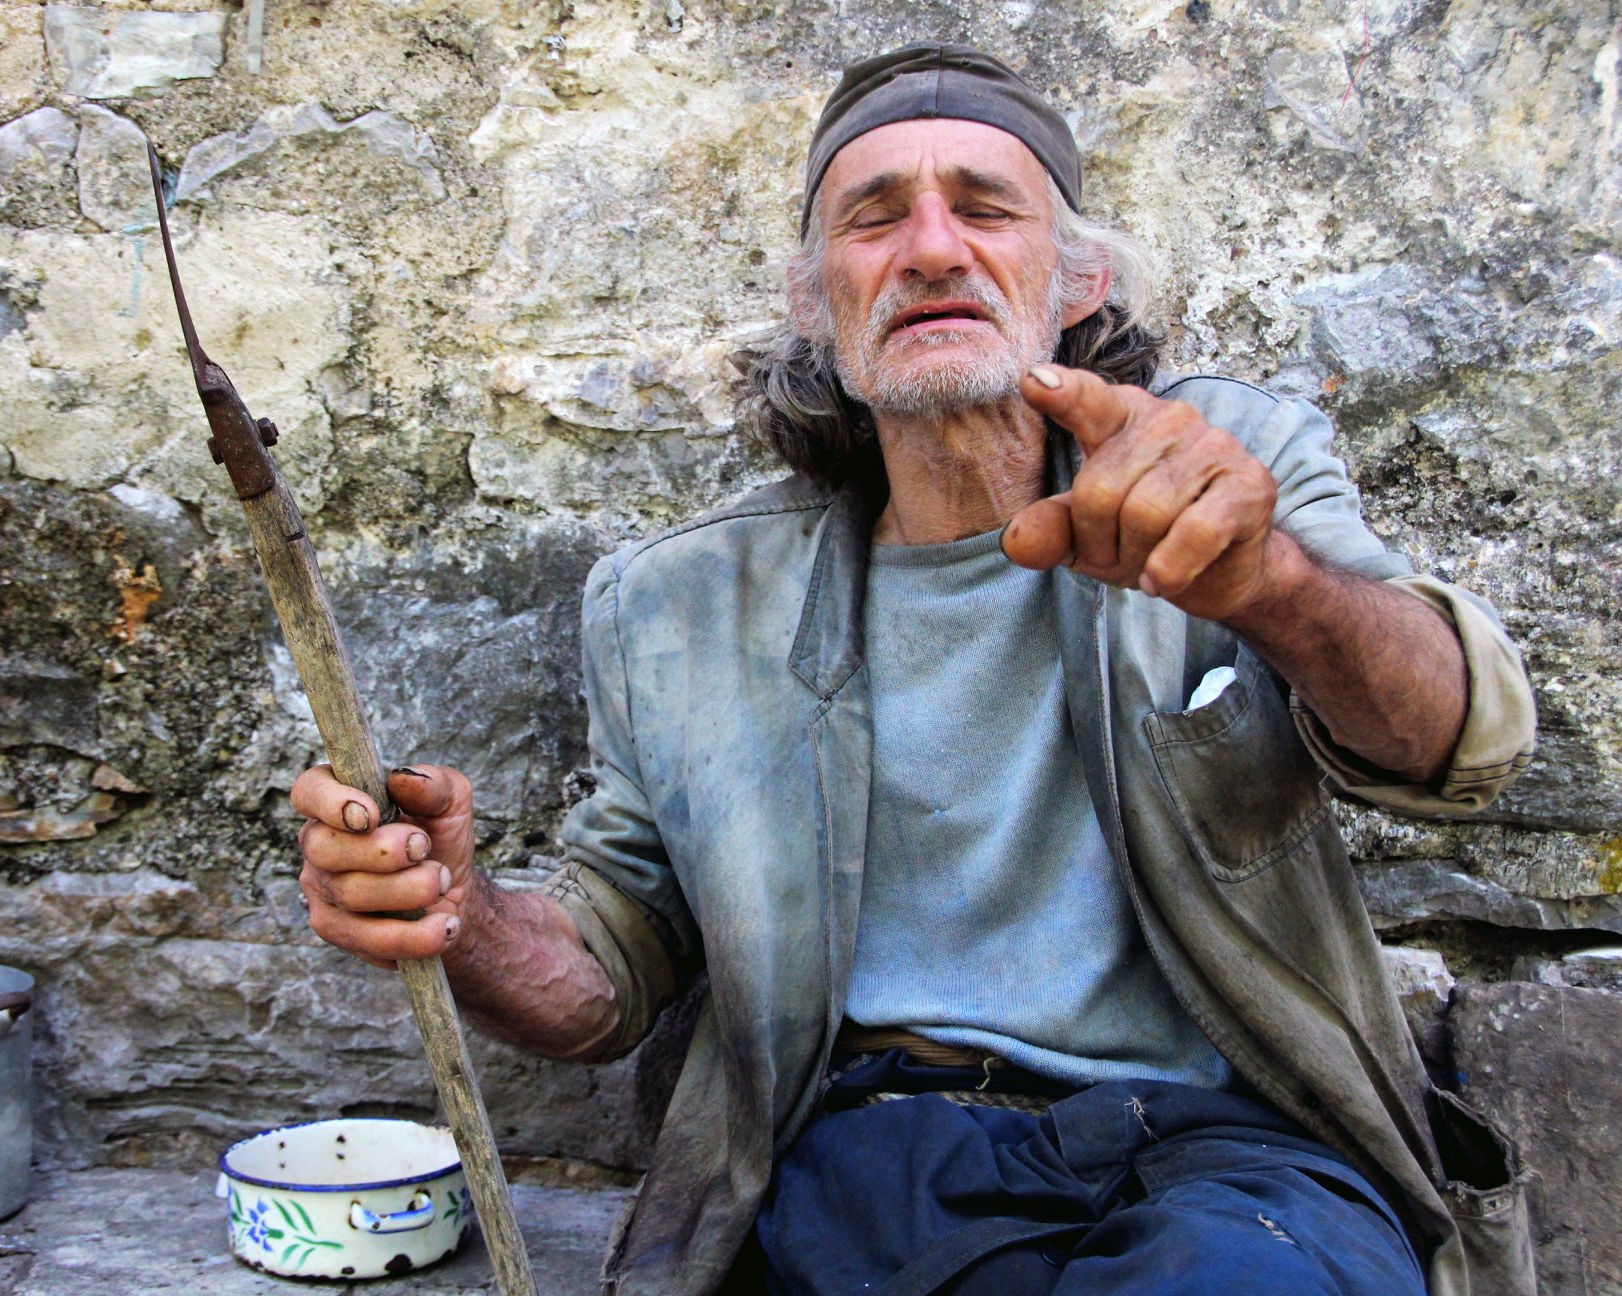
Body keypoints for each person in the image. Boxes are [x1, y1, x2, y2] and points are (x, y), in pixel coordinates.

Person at [292, 42, 1538, 1296]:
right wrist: (457, 916)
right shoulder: (682, 605)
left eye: (987, 209)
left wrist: (1272, 586)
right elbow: (608, 976)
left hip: (1236, 1153)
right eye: (874, 217)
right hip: (875, 1157)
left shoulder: (1227, 464)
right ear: (813, 298)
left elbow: (1458, 742)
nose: (934, 249)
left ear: (1080, 278)